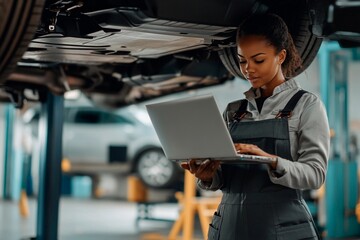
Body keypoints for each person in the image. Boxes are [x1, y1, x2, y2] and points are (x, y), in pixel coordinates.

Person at [181, 13, 330, 240]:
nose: (248, 69)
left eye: (258, 60)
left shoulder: (306, 105)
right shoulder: (234, 111)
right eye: (242, 60)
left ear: (281, 56)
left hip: (281, 228)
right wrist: (209, 176)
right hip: (230, 227)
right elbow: (225, 179)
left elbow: (315, 174)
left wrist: (271, 160)